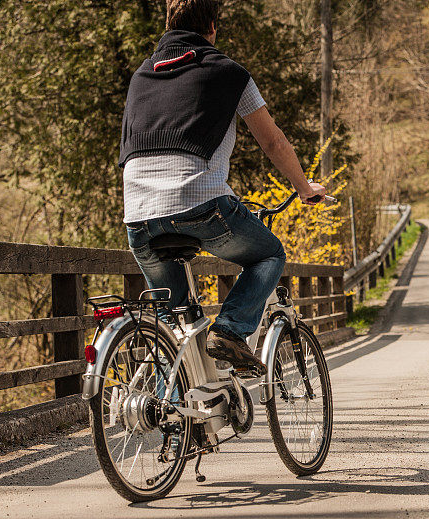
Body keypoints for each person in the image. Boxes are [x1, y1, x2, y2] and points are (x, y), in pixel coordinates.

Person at [119, 0, 326, 373]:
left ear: (168, 23)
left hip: (138, 216)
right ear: (211, 27)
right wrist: (303, 186)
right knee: (269, 255)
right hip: (201, 206)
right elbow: (273, 142)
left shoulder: (140, 75)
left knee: (174, 325)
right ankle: (229, 331)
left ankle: (174, 418)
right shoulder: (228, 72)